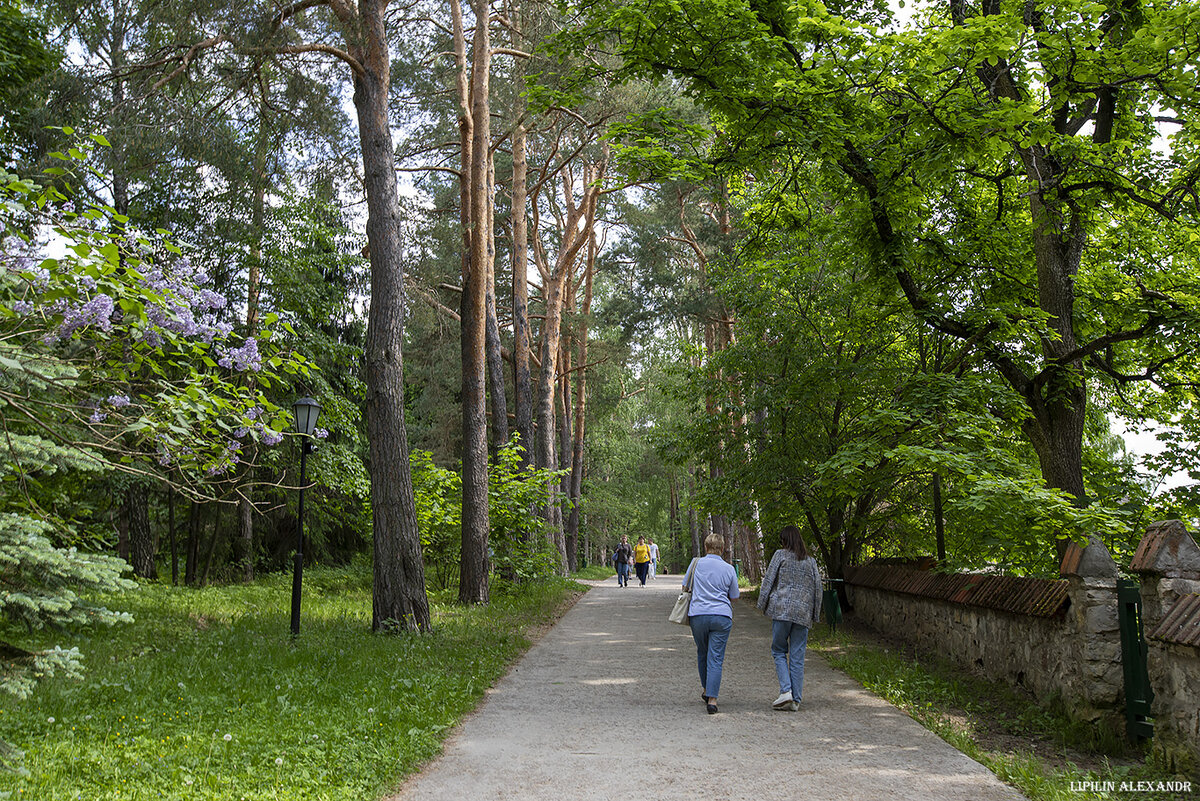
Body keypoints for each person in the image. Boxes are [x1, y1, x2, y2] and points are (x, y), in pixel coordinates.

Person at [756, 524, 822, 711]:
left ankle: (786, 691)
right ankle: (796, 700)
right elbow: (818, 588)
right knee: (797, 656)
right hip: (802, 614)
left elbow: (768, 580)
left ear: (785, 540)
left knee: (778, 650)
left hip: (782, 611)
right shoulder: (810, 561)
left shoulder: (780, 555)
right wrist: (815, 614)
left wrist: (761, 605)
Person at [684, 533, 739, 714]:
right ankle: (713, 700)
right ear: (722, 549)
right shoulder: (729, 568)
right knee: (715, 657)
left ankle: (707, 690)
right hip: (721, 617)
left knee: (703, 652)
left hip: (698, 615)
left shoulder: (696, 563)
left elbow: (685, 587)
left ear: (706, 547)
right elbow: (734, 597)